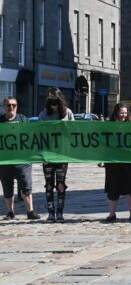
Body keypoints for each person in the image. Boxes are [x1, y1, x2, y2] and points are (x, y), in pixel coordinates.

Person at [104, 103, 131, 222]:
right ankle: (112, 213)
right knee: (113, 187)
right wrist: (102, 158)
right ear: (116, 112)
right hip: (113, 161)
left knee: (130, 188)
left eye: (125, 112)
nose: (123, 115)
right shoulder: (109, 125)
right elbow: (103, 143)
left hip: (130, 161)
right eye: (121, 112)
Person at [38, 87, 75, 222]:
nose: (52, 101)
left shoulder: (67, 113)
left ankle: (59, 212)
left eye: (55, 99)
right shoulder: (43, 114)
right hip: (48, 154)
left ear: (60, 99)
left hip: (62, 154)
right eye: (50, 98)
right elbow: (39, 133)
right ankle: (50, 212)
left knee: (60, 183)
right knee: (48, 184)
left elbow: (73, 131)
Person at [0, 97, 40, 221]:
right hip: (5, 161)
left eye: (13, 105)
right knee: (7, 187)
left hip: (23, 160)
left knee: (26, 186)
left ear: (16, 106)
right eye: (8, 105)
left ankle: (30, 211)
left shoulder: (24, 120)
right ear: (3, 107)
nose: (11, 107)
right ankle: (10, 212)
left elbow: (33, 136)